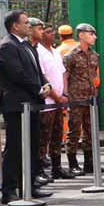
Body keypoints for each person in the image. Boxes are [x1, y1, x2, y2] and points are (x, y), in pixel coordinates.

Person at [0, 10, 52, 203]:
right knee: (15, 148)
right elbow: (17, 74)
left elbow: (37, 71)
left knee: (32, 146)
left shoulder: (27, 45)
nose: (30, 25)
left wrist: (46, 85)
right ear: (15, 26)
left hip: (32, 105)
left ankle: (28, 186)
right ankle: (9, 190)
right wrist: (38, 89)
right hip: (17, 106)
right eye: (26, 22)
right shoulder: (7, 46)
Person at [35, 21, 72, 179]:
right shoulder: (38, 52)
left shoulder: (55, 51)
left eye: (51, 32)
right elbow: (42, 79)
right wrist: (57, 97)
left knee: (58, 135)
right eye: (47, 32)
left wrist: (65, 93)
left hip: (59, 101)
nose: (51, 35)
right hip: (48, 103)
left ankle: (57, 167)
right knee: (44, 137)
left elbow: (63, 73)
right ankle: (40, 169)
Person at [64, 23, 99, 175]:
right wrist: (65, 95)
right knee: (74, 132)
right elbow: (65, 76)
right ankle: (72, 163)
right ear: (82, 35)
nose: (94, 37)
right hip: (76, 99)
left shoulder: (94, 55)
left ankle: (89, 163)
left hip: (90, 99)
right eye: (91, 34)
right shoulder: (71, 56)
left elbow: (95, 76)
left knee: (90, 132)